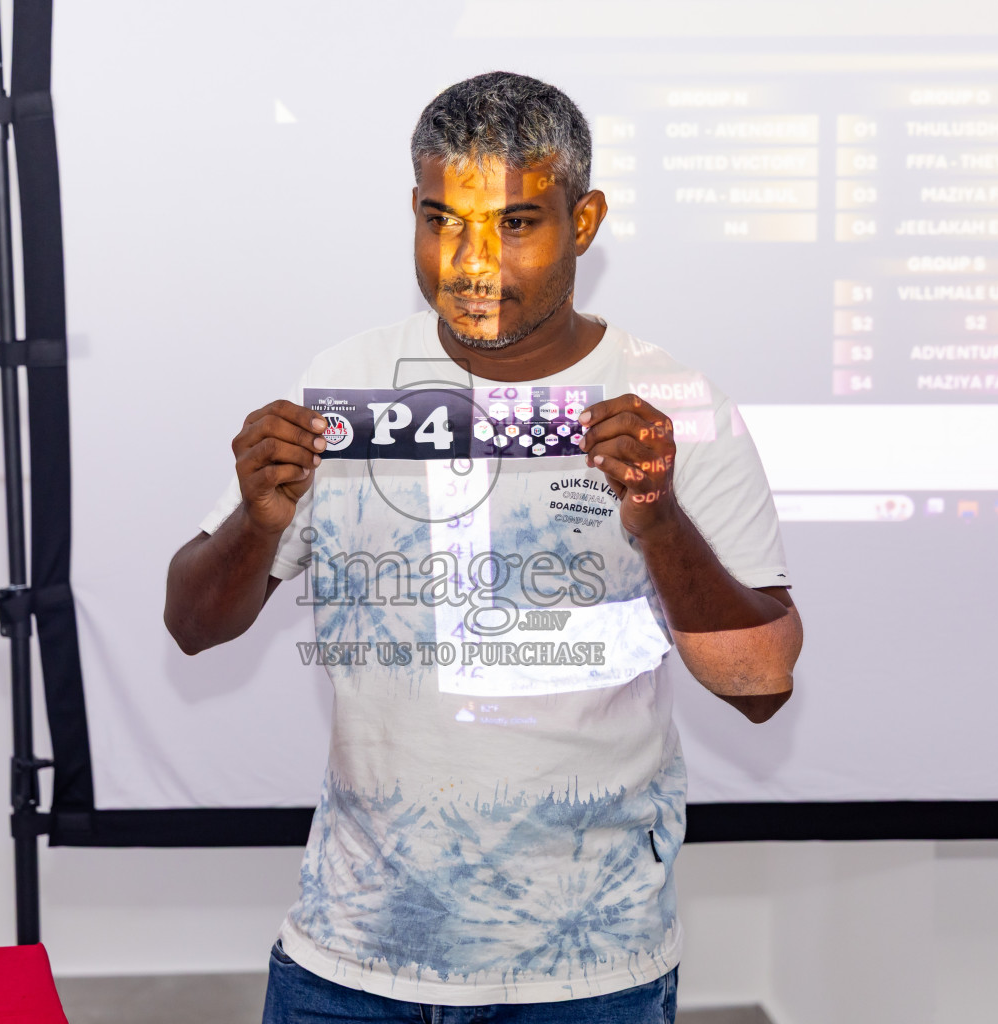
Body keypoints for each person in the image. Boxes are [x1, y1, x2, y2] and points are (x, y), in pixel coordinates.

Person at [164, 71, 802, 1023]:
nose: (469, 261)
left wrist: (657, 516)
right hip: (351, 954)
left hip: (587, 972)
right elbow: (191, 626)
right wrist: (257, 520)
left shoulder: (674, 403)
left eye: (514, 224)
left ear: (582, 223)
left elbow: (759, 684)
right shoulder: (344, 380)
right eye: (441, 220)